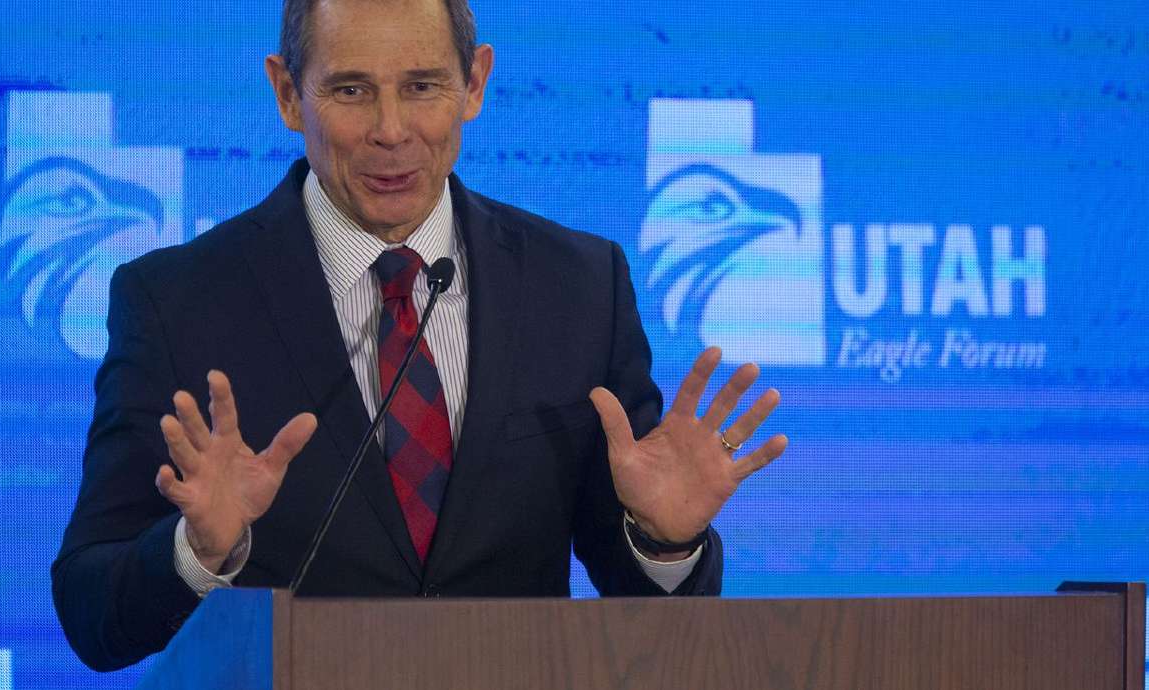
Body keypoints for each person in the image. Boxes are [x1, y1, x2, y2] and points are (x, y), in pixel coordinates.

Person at [51, 0, 788, 673]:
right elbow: (92, 614)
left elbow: (644, 608)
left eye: (422, 86)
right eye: (351, 90)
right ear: (286, 93)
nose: (391, 129)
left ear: (474, 83)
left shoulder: (580, 286)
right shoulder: (177, 301)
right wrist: (196, 553)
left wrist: (661, 542)